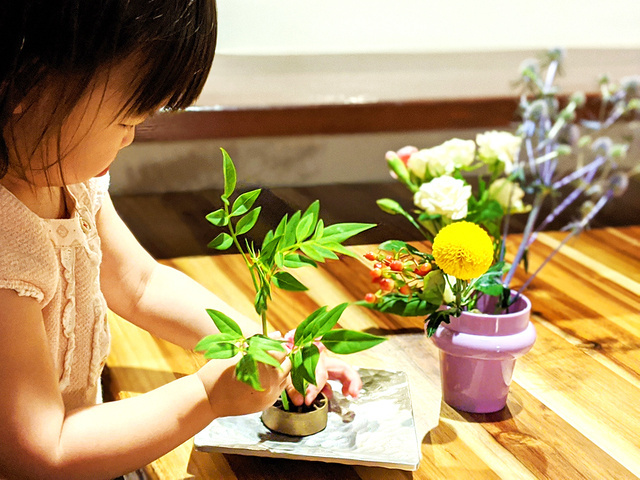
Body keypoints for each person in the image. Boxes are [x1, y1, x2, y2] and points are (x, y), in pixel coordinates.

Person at [0, 1, 362, 478]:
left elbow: (141, 283)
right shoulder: (8, 241)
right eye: (127, 120)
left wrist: (255, 346)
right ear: (27, 82)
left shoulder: (67, 181)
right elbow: (42, 450)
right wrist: (207, 395)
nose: (130, 140)